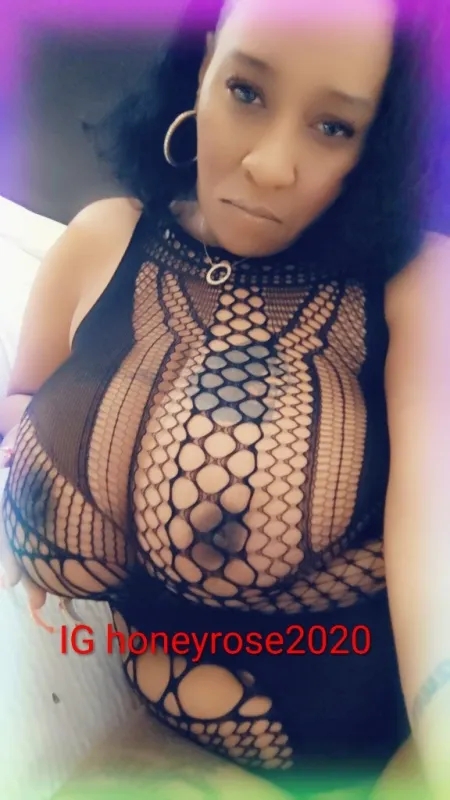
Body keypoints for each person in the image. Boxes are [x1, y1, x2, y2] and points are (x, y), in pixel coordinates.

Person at [1, 0, 449, 797]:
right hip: (143, 756)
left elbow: (436, 550)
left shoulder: (415, 288)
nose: (271, 165)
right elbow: (27, 397)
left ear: (373, 142)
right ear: (207, 65)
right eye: (247, 91)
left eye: (333, 126)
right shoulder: (100, 241)